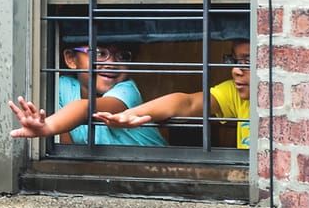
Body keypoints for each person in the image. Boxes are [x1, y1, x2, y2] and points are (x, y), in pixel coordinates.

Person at [95, 37, 251, 149]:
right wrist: (132, 113)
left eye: (248, 61)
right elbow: (186, 103)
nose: (236, 70)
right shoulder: (233, 92)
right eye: (235, 61)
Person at [7, 42, 169, 146]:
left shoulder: (127, 90)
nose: (111, 64)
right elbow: (66, 147)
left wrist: (48, 127)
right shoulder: (62, 87)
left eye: (122, 56)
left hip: (151, 170)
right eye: (99, 53)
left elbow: (86, 108)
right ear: (71, 59)